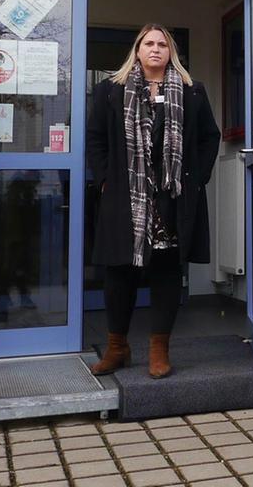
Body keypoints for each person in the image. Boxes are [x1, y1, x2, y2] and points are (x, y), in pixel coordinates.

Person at [85, 24, 219, 379]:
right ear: (138, 50)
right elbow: (95, 139)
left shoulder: (192, 92)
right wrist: (104, 182)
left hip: (172, 199)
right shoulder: (110, 91)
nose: (156, 49)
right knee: (119, 272)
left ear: (171, 52)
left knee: (165, 271)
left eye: (163, 44)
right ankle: (117, 347)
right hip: (125, 198)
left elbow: (209, 138)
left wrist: (196, 178)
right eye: (149, 43)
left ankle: (159, 349)